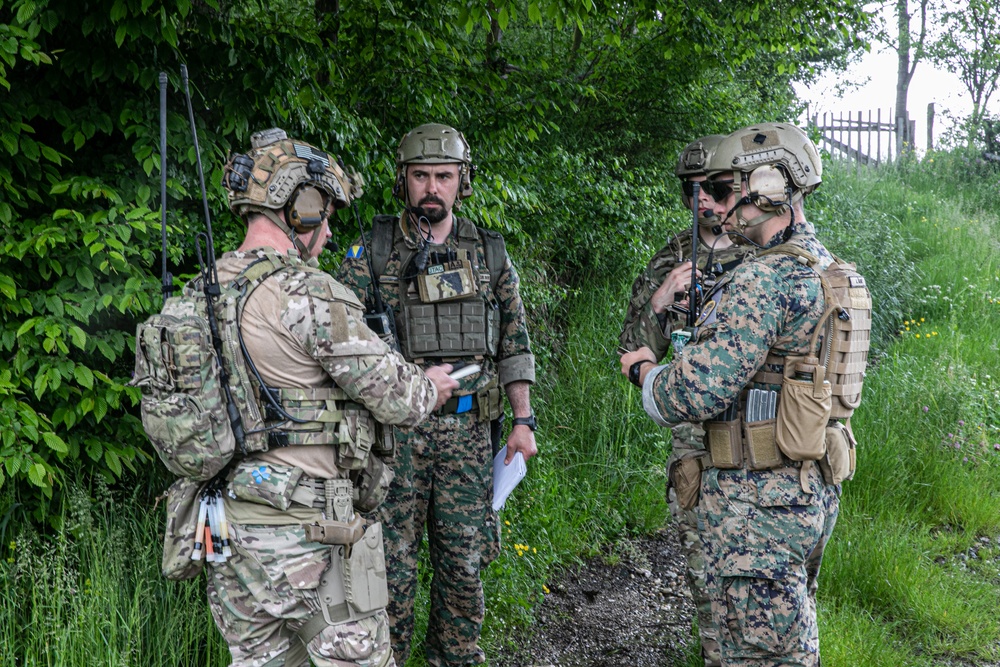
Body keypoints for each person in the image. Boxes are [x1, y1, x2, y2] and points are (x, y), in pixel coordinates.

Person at [204, 127, 458, 667]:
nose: (328, 230)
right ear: (303, 207)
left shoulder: (205, 291)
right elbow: (400, 399)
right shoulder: (309, 294)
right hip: (308, 538)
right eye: (327, 212)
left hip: (227, 532)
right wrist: (430, 386)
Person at [620, 122, 870, 666]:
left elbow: (693, 392)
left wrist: (645, 373)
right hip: (809, 491)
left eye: (730, 189)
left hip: (757, 507)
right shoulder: (833, 270)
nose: (719, 205)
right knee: (785, 645)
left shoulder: (765, 278)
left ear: (767, 188)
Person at [337, 122, 537, 667]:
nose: (432, 187)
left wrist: (524, 422)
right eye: (420, 176)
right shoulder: (372, 251)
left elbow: (514, 344)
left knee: (463, 567)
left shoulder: (490, 253)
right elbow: (340, 343)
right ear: (403, 181)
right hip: (394, 437)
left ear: (461, 181)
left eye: (443, 176)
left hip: (470, 435)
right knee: (389, 570)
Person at [619, 134, 752, 667]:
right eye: (690, 190)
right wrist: (660, 299)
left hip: (757, 437)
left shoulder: (764, 252)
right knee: (707, 577)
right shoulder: (671, 257)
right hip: (693, 443)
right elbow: (631, 352)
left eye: (713, 188)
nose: (702, 200)